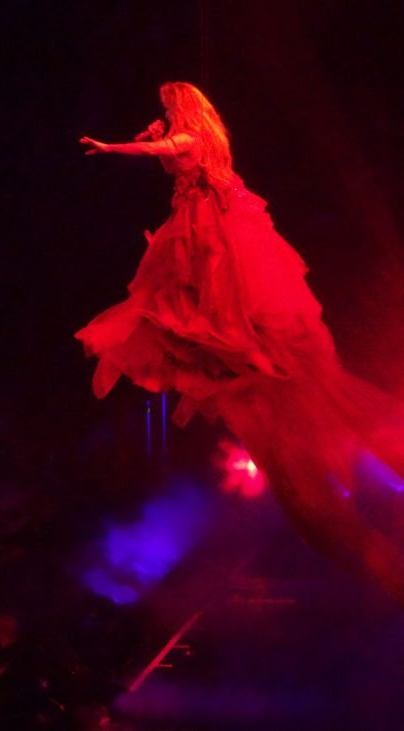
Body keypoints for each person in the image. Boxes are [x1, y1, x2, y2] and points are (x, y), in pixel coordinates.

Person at [78, 81, 404, 602]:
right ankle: (227, 338)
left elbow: (168, 151)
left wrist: (114, 147)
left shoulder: (193, 136)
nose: (165, 112)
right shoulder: (196, 141)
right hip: (197, 225)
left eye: (168, 106)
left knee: (221, 287)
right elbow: (170, 161)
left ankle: (238, 336)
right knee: (197, 294)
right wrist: (151, 140)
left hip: (211, 229)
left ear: (183, 106)